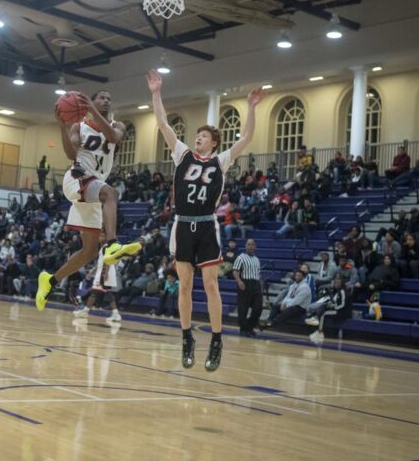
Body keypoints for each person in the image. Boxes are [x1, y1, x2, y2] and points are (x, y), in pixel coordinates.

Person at [148, 68, 265, 371]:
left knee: (211, 285)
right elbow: (162, 123)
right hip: (182, 224)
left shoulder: (221, 160)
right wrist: (156, 92)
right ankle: (187, 338)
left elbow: (248, 136)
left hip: (206, 224)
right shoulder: (182, 154)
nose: (197, 138)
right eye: (196, 135)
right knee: (184, 286)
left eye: (203, 136)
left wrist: (251, 108)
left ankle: (216, 340)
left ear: (213, 143)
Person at [35, 90, 142, 311]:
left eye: (109, 98)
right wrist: (62, 127)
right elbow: (71, 154)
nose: (106, 100)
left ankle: (50, 280)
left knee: (90, 251)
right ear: (90, 103)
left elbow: (113, 138)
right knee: (111, 193)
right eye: (101, 98)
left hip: (94, 184)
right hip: (77, 178)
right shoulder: (79, 127)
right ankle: (112, 245)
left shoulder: (118, 125)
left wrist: (92, 111)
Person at [73, 232, 123, 321]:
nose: (99, 237)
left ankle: (85, 311)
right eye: (99, 235)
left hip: (104, 272)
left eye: (102, 236)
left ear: (106, 238)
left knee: (95, 292)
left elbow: (108, 260)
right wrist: (92, 271)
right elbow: (100, 261)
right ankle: (115, 313)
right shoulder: (103, 247)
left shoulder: (107, 247)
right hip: (103, 272)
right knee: (106, 293)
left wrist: (105, 273)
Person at [305, 277, 350, 343]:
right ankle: (315, 324)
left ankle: (320, 332)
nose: (336, 284)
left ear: (342, 284)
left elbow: (343, 305)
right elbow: (334, 302)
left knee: (324, 314)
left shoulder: (342, 291)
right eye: (335, 283)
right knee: (322, 306)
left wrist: (334, 307)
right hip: (336, 309)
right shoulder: (336, 292)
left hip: (342, 312)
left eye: (338, 283)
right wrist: (330, 305)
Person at [232, 239, 262, 338]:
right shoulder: (241, 257)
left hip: (256, 284)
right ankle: (243, 329)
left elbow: (258, 275)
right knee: (243, 309)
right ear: (245, 246)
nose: (251, 246)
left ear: (255, 246)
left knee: (258, 308)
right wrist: (239, 281)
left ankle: (249, 327)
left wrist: (260, 286)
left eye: (253, 245)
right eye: (249, 244)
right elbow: (235, 271)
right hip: (245, 283)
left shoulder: (257, 259)